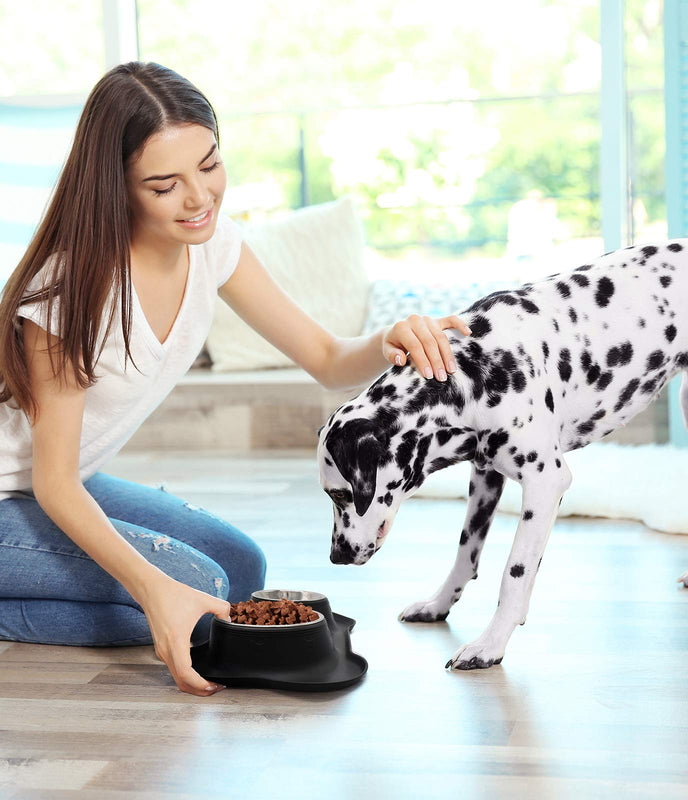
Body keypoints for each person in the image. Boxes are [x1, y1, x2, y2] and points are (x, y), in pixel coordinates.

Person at [0, 62, 470, 697]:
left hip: (47, 487)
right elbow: (55, 485)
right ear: (117, 187)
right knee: (199, 593)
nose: (199, 198)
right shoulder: (66, 295)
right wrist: (153, 589)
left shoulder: (213, 247)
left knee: (240, 568)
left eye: (210, 164)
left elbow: (327, 356)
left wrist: (387, 341)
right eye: (165, 185)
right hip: (32, 491)